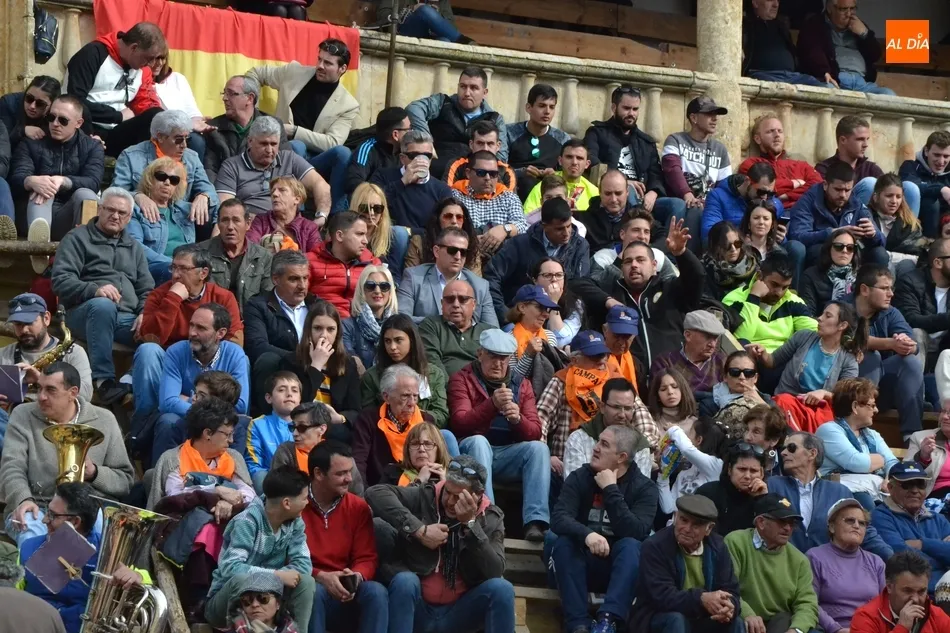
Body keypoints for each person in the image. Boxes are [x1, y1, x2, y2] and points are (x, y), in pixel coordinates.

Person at [366, 454, 515, 633]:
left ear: (478, 495)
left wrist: (471, 525)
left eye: (458, 497)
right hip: (418, 607)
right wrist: (420, 531)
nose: (450, 502)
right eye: (448, 492)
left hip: (461, 612)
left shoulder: (490, 517)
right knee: (405, 580)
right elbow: (375, 493)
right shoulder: (427, 495)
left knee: (502, 589)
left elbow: (495, 571)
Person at [0, 362, 134, 546]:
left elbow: (125, 480)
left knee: (101, 539)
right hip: (38, 505)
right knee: (32, 535)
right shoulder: (22, 414)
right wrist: (22, 499)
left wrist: (94, 473)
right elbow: (12, 466)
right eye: (39, 388)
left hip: (91, 511)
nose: (41, 396)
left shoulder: (105, 419)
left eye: (51, 390)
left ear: (73, 392)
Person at [550, 424, 656, 633]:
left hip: (620, 570)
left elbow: (638, 531)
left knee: (632, 546)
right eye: (598, 441)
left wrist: (611, 490)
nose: (596, 447)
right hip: (577, 565)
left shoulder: (644, 487)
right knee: (563, 542)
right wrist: (588, 534)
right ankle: (578, 625)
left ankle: (608, 621)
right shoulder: (580, 476)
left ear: (621, 457)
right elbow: (559, 518)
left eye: (604, 444)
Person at [51, 188, 152, 405]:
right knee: (103, 306)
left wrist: (144, 312)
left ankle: (128, 380)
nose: (115, 216)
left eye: (122, 213)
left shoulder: (134, 247)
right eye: (110, 210)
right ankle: (104, 381)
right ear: (99, 209)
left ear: (129, 218)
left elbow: (147, 288)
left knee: (160, 328)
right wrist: (94, 290)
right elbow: (60, 280)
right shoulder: (77, 238)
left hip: (125, 317)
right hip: (82, 312)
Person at [448, 329, 548, 540]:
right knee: (479, 442)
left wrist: (518, 420)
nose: (498, 363)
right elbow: (459, 423)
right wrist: (492, 404)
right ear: (480, 354)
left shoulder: (522, 384)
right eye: (492, 356)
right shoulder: (462, 379)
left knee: (539, 449)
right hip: (470, 455)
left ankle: (535, 522)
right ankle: (488, 516)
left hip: (506, 455)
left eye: (503, 358)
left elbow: (535, 431)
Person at [572, 220, 701, 369]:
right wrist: (609, 301)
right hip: (629, 376)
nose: (634, 265)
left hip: (674, 374)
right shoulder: (613, 290)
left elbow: (697, 277)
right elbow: (577, 285)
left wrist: (681, 254)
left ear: (654, 265)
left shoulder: (670, 288)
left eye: (640, 260)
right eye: (628, 261)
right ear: (621, 268)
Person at [19, 482, 145, 633]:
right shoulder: (28, 547)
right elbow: (16, 592)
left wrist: (136, 576)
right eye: (47, 511)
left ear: (75, 521)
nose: (44, 520)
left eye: (53, 515)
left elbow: (143, 577)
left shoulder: (110, 550)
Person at [247, 39, 358, 209]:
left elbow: (333, 142)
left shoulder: (348, 104)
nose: (320, 66)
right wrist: (250, 107)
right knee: (296, 146)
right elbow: (256, 73)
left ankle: (337, 215)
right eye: (319, 59)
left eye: (328, 63)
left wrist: (295, 131)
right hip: (284, 150)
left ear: (342, 69)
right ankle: (297, 213)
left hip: (316, 160)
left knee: (342, 153)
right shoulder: (294, 72)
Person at [204, 466, 316, 631]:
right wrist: (276, 577)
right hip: (226, 602)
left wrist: (275, 582)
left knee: (306, 581)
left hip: (269, 600)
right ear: (286, 503)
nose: (307, 503)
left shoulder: (295, 523)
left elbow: (304, 564)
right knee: (241, 580)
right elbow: (230, 568)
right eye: (304, 498)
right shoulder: (247, 522)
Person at [301, 441, 388, 633]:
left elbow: (367, 557)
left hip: (347, 590)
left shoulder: (358, 507)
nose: (349, 479)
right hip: (311, 586)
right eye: (341, 473)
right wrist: (321, 576)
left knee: (376, 592)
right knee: (313, 591)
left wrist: (355, 576)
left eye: (350, 471)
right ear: (318, 474)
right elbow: (285, 559)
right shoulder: (296, 505)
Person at [148, 304, 251, 465]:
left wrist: (190, 399)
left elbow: (241, 405)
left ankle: (227, 476)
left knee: (240, 425)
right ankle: (161, 474)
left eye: (201, 328)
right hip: (186, 419)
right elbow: (167, 403)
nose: (192, 333)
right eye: (191, 325)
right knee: (167, 421)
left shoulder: (234, 354)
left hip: (218, 422)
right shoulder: (176, 352)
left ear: (220, 333)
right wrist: (211, 405)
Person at [632, 494, 743, 633]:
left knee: (735, 621)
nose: (687, 528)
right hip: (658, 616)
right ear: (675, 517)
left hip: (701, 616)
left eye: (696, 524)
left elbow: (731, 589)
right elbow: (663, 597)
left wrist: (729, 606)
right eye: (683, 520)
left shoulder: (718, 546)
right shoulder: (655, 546)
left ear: (709, 528)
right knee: (676, 619)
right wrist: (701, 599)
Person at [769, 433, 892, 557]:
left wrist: (891, 557)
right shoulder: (772, 484)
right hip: (781, 563)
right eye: (783, 448)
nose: (783, 453)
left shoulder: (839, 491)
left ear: (812, 453)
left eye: (791, 448)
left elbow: (863, 530)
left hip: (825, 566)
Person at [10, 94, 103, 247]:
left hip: (68, 215)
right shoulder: (32, 142)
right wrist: (30, 181)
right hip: (31, 213)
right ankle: (39, 249)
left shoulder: (92, 146)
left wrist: (64, 181)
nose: (55, 124)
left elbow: (93, 182)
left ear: (78, 123)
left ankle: (84, 250)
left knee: (85, 194)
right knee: (42, 187)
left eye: (63, 120)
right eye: (51, 117)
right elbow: (17, 175)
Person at [64, 22, 164, 156]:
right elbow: (74, 101)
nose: (150, 64)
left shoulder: (142, 69)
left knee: (156, 116)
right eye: (148, 58)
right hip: (88, 127)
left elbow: (147, 103)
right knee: (78, 110)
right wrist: (117, 116)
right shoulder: (92, 54)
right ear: (134, 48)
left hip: (116, 131)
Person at [725, 493, 820, 633]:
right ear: (761, 522)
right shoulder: (736, 542)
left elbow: (807, 603)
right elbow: (727, 588)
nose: (788, 528)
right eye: (782, 522)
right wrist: (747, 614)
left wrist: (796, 629)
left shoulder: (799, 560)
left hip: (780, 624)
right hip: (744, 620)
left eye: (791, 524)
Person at [114, 109, 218, 237]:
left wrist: (204, 195)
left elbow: (208, 188)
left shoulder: (191, 157)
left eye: (187, 139)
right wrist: (137, 196)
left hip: (180, 220)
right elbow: (116, 192)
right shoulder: (131, 156)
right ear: (160, 137)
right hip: (146, 220)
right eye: (178, 139)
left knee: (215, 210)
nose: (184, 145)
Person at [485, 198, 590, 324]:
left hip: (562, 319)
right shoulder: (519, 244)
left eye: (569, 226)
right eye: (559, 229)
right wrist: (504, 313)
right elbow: (492, 276)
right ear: (544, 226)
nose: (566, 233)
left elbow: (581, 286)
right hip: (519, 318)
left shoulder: (580, 246)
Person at [851, 264, 925, 441]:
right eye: (884, 288)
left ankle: (911, 437)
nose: (891, 294)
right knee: (871, 356)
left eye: (891, 288)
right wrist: (890, 343)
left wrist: (906, 344)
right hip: (848, 386)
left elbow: (914, 346)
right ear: (864, 290)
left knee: (910, 361)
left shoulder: (891, 312)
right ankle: (858, 429)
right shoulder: (842, 308)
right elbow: (847, 339)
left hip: (883, 389)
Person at [148, 396, 255, 508]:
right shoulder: (173, 459)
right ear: (208, 433)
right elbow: (176, 497)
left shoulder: (234, 457)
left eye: (232, 434)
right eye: (227, 435)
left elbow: (250, 494)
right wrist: (215, 492)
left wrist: (229, 503)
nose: (231, 440)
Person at [244, 249, 319, 409]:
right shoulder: (258, 306)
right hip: (280, 372)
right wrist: (299, 359)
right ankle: (267, 418)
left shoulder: (317, 306)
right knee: (267, 360)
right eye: (294, 279)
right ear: (275, 279)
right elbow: (257, 346)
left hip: (315, 367)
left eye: (305, 278)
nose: (302, 286)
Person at [215, 115, 330, 218]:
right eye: (264, 144)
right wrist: (266, 222)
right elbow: (226, 210)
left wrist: (321, 216)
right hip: (252, 228)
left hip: (292, 226)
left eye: (274, 144)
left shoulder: (289, 159)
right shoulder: (232, 166)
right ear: (250, 141)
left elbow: (320, 184)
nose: (269, 150)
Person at [406, 67, 507, 178]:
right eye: (463, 86)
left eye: (474, 88)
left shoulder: (494, 118)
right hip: (434, 174)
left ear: (484, 92)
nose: (467, 93)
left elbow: (501, 159)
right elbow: (414, 109)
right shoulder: (443, 103)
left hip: (473, 179)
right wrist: (426, 140)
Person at [816, 378, 899, 509]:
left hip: (873, 490)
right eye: (872, 405)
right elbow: (856, 463)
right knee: (868, 507)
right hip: (842, 492)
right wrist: (882, 459)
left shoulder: (872, 435)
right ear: (855, 407)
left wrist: (890, 479)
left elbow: (893, 463)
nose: (876, 410)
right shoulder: (829, 430)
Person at [807, 499, 887, 633]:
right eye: (850, 520)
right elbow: (809, 602)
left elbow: (885, 605)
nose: (856, 526)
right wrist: (836, 629)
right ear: (832, 527)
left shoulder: (876, 562)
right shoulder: (814, 557)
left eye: (862, 523)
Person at [288, 300, 362, 444]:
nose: (324, 335)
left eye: (330, 329)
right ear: (308, 330)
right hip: (301, 429)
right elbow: (298, 406)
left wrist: (340, 418)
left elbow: (355, 411)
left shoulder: (347, 364)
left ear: (337, 332)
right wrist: (316, 366)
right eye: (317, 328)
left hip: (334, 430)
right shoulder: (292, 361)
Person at [661, 96, 732, 245]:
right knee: (694, 209)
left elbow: (725, 185)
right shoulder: (675, 140)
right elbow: (672, 169)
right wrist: (686, 194)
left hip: (708, 206)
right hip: (680, 202)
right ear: (693, 118)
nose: (715, 119)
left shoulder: (720, 149)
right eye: (709, 114)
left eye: (715, 115)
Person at [0, 292, 92, 407]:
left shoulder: (74, 352)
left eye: (29, 322)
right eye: (18, 324)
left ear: (46, 318)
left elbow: (86, 396)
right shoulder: (2, 354)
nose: (24, 330)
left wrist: (41, 379)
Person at [360, 314, 450, 431]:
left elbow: (441, 415)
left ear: (411, 340)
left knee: (446, 435)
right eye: (387, 341)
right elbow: (368, 417)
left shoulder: (434, 374)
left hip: (424, 432)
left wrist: (414, 415)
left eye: (398, 340)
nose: (392, 347)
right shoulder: (372, 376)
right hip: (387, 433)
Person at [871, 462, 950, 593]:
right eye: (906, 485)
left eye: (920, 484)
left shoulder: (938, 519)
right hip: (914, 594)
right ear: (890, 487)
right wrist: (942, 552)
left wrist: (923, 544)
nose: (914, 490)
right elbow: (901, 560)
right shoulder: (880, 517)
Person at [790, 162, 888, 266]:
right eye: (838, 189)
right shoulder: (808, 201)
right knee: (820, 251)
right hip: (820, 252)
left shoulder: (855, 202)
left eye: (847, 190)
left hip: (850, 251)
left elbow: (882, 241)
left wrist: (873, 234)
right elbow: (798, 235)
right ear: (825, 185)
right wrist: (832, 233)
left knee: (880, 254)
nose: (843, 195)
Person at [352, 365, 436, 486]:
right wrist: (362, 494)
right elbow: (359, 462)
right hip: (381, 490)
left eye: (415, 396)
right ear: (386, 397)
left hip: (420, 490)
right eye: (405, 396)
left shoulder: (426, 421)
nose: (412, 403)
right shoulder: (368, 420)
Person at [815, 116, 919, 211]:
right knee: (869, 183)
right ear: (843, 140)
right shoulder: (824, 169)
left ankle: (908, 226)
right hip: (842, 219)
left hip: (876, 220)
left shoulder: (871, 168)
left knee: (910, 189)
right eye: (860, 139)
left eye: (867, 139)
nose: (866, 145)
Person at [398, 227, 496, 326]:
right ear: (436, 251)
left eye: (463, 252)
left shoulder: (480, 286)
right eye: (452, 250)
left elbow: (493, 329)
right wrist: (442, 324)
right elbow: (401, 320)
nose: (458, 257)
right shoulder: (414, 277)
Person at [724, 251, 817, 356]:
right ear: (759, 276)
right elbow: (740, 342)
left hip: (785, 359)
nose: (779, 293)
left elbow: (815, 336)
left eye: (785, 287)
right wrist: (753, 298)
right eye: (774, 285)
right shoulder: (734, 300)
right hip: (751, 359)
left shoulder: (793, 301)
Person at [203, 74, 290, 183]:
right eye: (224, 93)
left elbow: (286, 163)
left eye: (231, 94)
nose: (224, 98)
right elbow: (210, 169)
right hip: (227, 186)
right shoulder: (214, 128)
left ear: (249, 98)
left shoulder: (274, 125)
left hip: (265, 185)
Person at [563, 377, 654, 479]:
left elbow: (641, 487)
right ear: (602, 407)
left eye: (628, 408)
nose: (622, 415)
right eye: (616, 407)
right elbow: (573, 485)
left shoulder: (640, 445)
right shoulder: (578, 439)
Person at [796, 0, 893, 95]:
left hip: (862, 83)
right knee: (827, 91)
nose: (849, 14)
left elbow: (875, 55)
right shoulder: (815, 24)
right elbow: (813, 51)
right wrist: (823, 72)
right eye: (843, 9)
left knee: (888, 94)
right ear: (830, 8)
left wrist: (865, 34)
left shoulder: (858, 25)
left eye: (852, 8)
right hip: (836, 80)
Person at [369, 130, 453, 234]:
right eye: (414, 155)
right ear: (402, 158)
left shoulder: (441, 189)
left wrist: (409, 232)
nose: (421, 160)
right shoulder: (383, 176)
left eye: (427, 155)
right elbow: (371, 207)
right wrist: (403, 182)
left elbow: (444, 228)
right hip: (390, 238)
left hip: (425, 241)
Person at [199, 198, 274, 312]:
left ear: (248, 224)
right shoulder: (200, 253)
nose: (230, 226)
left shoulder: (264, 257)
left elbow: (267, 299)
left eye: (236, 220)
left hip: (251, 318)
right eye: (225, 220)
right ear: (218, 224)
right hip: (212, 318)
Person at [125, 157, 192, 284]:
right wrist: (174, 264)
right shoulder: (136, 209)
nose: (167, 182)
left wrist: (204, 196)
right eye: (161, 177)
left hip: (187, 268)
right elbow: (135, 246)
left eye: (174, 180)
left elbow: (217, 208)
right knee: (173, 273)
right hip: (154, 267)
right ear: (150, 179)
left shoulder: (185, 211)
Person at [851, 550, 950, 633]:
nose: (915, 599)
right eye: (907, 591)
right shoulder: (866, 617)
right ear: (889, 587)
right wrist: (902, 628)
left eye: (921, 591)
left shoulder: (936, 615)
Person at [307, 211, 381, 319]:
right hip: (325, 323)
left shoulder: (373, 264)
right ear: (340, 236)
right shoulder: (309, 262)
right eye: (359, 234)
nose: (365, 241)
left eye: (365, 235)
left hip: (363, 324)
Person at [450, 151, 526, 256]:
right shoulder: (455, 196)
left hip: (502, 256)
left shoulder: (509, 197)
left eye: (493, 174)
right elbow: (447, 227)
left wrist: (504, 229)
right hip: (464, 253)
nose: (487, 178)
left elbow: (523, 225)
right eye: (481, 173)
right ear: (468, 173)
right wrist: (469, 240)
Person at [739, 113, 823, 205]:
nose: (777, 135)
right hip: (769, 212)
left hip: (804, 211)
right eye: (770, 131)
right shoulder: (751, 164)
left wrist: (786, 196)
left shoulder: (801, 165)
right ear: (757, 139)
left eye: (780, 131)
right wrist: (794, 183)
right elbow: (761, 188)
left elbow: (819, 186)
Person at [894, 238, 950, 375]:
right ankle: (916, 387)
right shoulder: (910, 281)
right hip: (919, 348)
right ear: (938, 262)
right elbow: (910, 320)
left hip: (946, 346)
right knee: (916, 333)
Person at [506, 83, 572, 201]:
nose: (547, 111)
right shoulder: (510, 133)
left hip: (550, 194)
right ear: (528, 108)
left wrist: (555, 174)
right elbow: (499, 169)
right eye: (542, 106)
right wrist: (522, 172)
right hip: (515, 190)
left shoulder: (562, 138)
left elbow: (569, 173)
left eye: (552, 107)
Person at [419, 280, 493, 377]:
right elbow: (432, 362)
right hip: (445, 384)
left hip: (480, 385)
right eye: (450, 299)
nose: (456, 304)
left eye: (463, 299)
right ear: (442, 304)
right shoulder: (431, 325)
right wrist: (453, 385)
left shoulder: (489, 332)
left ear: (474, 304)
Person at [147, 43, 209, 159]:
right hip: (156, 131)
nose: (159, 63)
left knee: (197, 141)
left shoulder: (178, 78)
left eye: (162, 58)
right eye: (155, 58)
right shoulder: (137, 79)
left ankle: (192, 170)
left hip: (184, 130)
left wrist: (195, 122)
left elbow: (192, 111)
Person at [743, 0, 826, 86]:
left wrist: (823, 72)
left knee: (825, 87)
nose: (776, 5)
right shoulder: (745, 26)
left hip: (792, 76)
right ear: (755, 3)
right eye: (770, 0)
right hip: (763, 75)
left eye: (778, 1)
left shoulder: (781, 26)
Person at [657, 416, 727, 516]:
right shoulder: (687, 467)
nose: (686, 437)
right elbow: (669, 508)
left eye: (689, 433)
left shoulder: (716, 466)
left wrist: (674, 429)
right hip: (675, 522)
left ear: (699, 440)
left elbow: (686, 449)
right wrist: (663, 474)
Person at [246, 372, 303, 492]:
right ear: (269, 398)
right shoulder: (257, 424)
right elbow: (254, 465)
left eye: (294, 390)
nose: (289, 394)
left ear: (300, 398)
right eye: (282, 390)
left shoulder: (309, 425)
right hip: (270, 483)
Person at [695, 443, 769, 535]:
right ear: (730, 469)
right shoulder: (707, 493)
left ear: (761, 473)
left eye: (753, 471)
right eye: (742, 469)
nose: (747, 476)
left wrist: (763, 499)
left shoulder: (767, 500)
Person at [702, 163, 784, 244]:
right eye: (761, 192)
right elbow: (709, 234)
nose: (765, 197)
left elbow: (782, 242)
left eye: (769, 193)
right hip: (733, 248)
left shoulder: (774, 203)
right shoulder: (718, 196)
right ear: (747, 181)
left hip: (766, 248)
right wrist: (742, 240)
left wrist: (781, 238)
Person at [650, 309, 727, 395]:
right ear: (688, 335)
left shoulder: (722, 362)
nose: (712, 344)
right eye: (707, 337)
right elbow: (658, 397)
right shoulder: (665, 362)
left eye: (715, 338)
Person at [351, 182, 411, 284]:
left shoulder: (394, 236)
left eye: (377, 209)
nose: (371, 213)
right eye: (365, 208)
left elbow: (394, 275)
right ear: (356, 208)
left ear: (383, 211)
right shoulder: (345, 232)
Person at [404, 198, 482, 276]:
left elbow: (476, 280)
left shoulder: (472, 245)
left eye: (459, 217)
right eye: (448, 216)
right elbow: (411, 277)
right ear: (437, 219)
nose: (454, 221)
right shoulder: (419, 242)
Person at [342, 265, 398, 371]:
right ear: (361, 290)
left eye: (384, 286)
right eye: (370, 286)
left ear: (390, 292)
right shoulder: (347, 326)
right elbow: (347, 357)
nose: (377, 291)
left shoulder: (399, 326)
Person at [345, 107, 410, 196]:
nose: (412, 132)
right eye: (409, 129)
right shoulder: (368, 149)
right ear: (395, 134)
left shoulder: (408, 149)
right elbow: (354, 183)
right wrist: (401, 183)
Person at [522, 139, 600, 214]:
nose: (574, 162)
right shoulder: (543, 186)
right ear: (560, 160)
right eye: (569, 157)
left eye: (579, 158)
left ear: (587, 164)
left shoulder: (594, 192)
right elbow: (528, 217)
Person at [248, 176, 322, 253]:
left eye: (282, 190)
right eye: (272, 191)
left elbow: (316, 255)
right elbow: (250, 249)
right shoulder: (261, 221)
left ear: (297, 199)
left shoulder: (309, 227)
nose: (275, 194)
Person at [900, 131, 950, 239]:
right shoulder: (910, 167)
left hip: (943, 228)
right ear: (926, 151)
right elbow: (911, 187)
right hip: (915, 226)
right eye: (937, 155)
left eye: (946, 156)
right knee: (930, 202)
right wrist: (941, 189)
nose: (941, 161)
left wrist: (947, 221)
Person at [799, 229, 860, 317]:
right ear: (829, 249)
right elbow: (807, 315)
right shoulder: (810, 276)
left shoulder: (861, 276)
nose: (845, 251)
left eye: (850, 247)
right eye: (838, 246)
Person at [444, 120, 516, 193]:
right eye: (480, 143)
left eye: (490, 144)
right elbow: (446, 195)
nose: (485, 148)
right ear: (471, 144)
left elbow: (510, 198)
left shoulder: (506, 171)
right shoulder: (456, 165)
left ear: (498, 146)